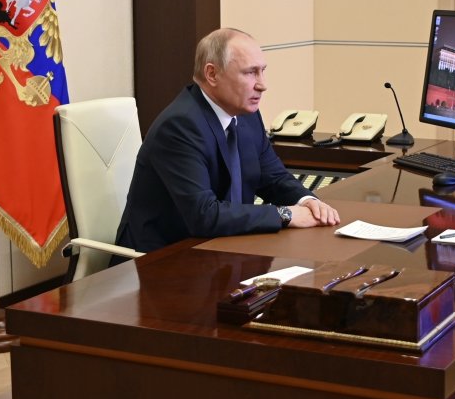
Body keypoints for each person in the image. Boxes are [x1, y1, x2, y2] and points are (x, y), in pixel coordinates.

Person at [115, 28, 341, 253]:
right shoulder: (180, 126)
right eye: (250, 73)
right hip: (161, 260)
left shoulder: (246, 115)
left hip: (221, 249)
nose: (262, 85)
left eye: (262, 71)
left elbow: (273, 177)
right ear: (212, 74)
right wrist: (285, 215)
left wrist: (306, 201)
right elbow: (204, 214)